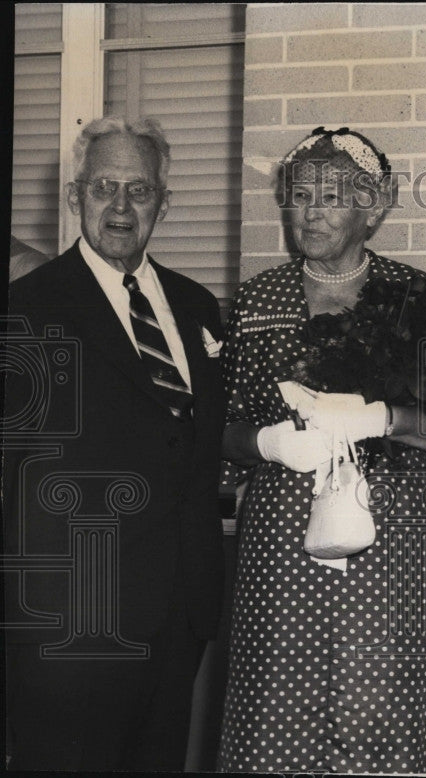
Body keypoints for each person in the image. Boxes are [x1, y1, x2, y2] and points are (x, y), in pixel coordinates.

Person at [217, 127, 426, 773]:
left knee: (379, 691)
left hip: (388, 535)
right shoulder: (257, 302)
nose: (311, 211)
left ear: (375, 207)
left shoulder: (414, 299)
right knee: (278, 690)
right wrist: (269, 443)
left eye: (332, 195)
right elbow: (215, 432)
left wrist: (381, 417)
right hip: (280, 539)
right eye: (300, 194)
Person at [3, 116, 226, 770]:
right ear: (75, 198)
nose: (121, 207)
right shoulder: (28, 309)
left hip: (178, 613)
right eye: (103, 188)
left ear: (164, 201)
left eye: (139, 189)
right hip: (70, 625)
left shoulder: (197, 308)